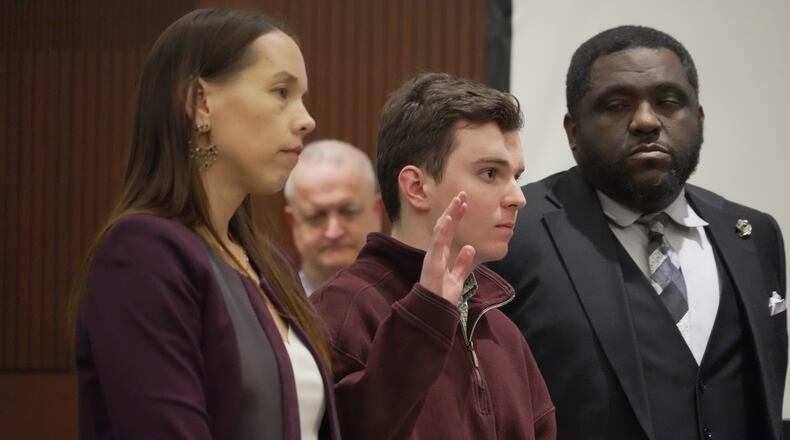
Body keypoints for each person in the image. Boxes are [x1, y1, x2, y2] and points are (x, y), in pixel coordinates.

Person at [489, 25, 787, 440]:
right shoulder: (514, 229)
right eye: (616, 105)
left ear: (698, 119)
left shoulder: (754, 235)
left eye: (668, 102)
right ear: (573, 132)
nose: (647, 121)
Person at [68, 9, 340, 439]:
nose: (307, 119)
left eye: (302, 96)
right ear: (200, 102)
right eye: (281, 91)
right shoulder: (143, 255)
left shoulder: (271, 265)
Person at [311, 72, 556, 439]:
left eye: (516, 176)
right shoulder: (343, 311)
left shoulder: (504, 334)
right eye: (490, 173)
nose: (518, 197)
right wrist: (424, 318)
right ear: (416, 187)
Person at [283, 139, 382, 295]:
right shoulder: (269, 311)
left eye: (348, 212)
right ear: (293, 222)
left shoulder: (412, 306)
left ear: (377, 211)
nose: (333, 232)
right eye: (316, 217)